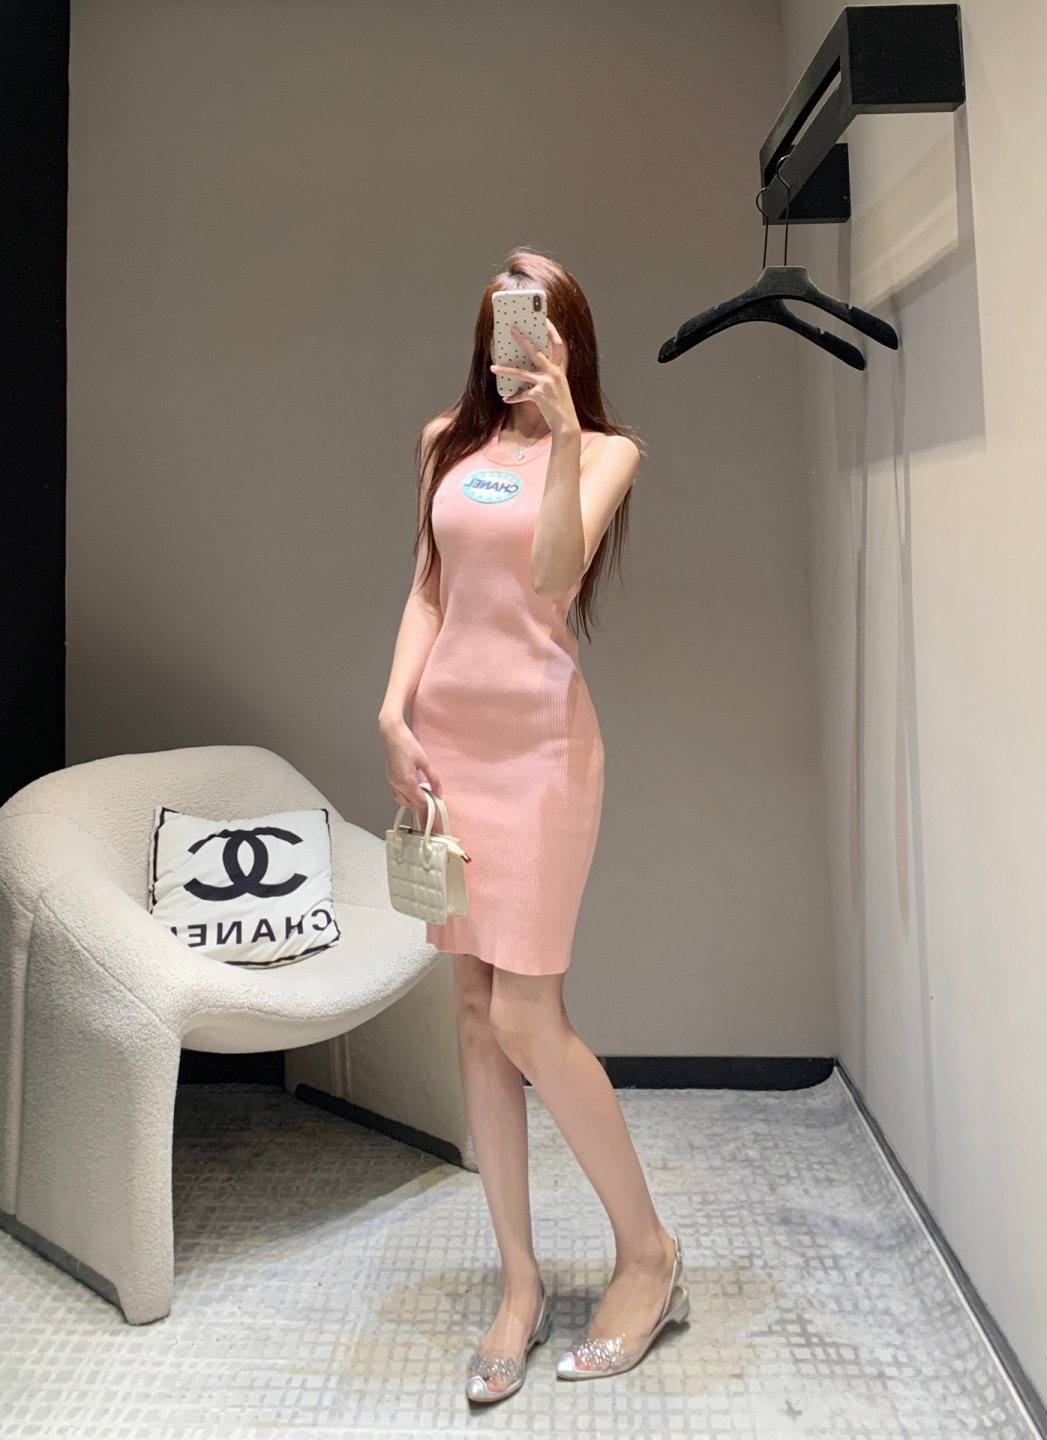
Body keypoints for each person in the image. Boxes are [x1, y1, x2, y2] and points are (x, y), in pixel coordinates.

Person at [377, 248, 690, 1405]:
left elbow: (553, 577)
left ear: (566, 338)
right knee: (471, 1014)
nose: (514, 340)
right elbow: (430, 589)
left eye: (537, 319)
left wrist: (561, 432)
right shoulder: (443, 444)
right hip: (448, 752)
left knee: (525, 1014)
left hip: (543, 755)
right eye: (503, 317)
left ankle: (648, 1254)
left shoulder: (605, 452)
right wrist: (392, 711)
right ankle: (519, 1282)